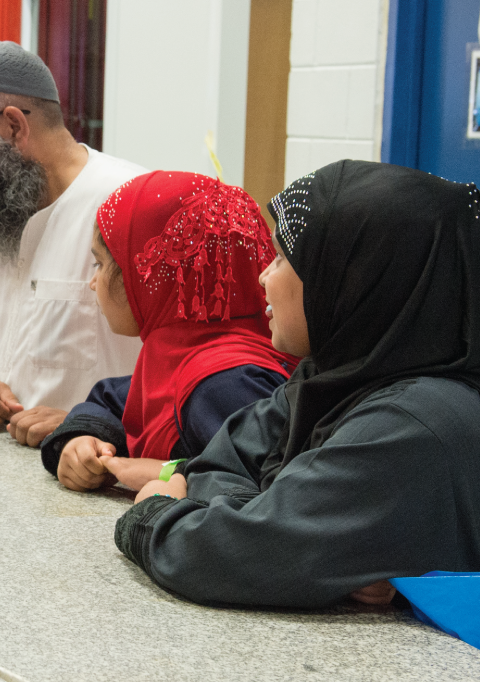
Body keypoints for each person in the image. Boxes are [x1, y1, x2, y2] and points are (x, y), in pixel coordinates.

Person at [112, 160, 480, 681]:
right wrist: (303, 546)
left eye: (283, 259)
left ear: (353, 279)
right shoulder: (332, 379)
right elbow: (227, 458)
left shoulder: (413, 422)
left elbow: (226, 553)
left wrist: (151, 517)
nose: (263, 275)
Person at [0, 41, 145, 441]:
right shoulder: (1, 209)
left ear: (13, 126)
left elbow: (183, 368)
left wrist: (96, 421)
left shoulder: (129, 206)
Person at [40, 172, 294, 491]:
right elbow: (111, 399)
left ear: (150, 278)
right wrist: (85, 439)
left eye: (100, 265)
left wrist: (167, 472)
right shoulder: (179, 357)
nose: (93, 283)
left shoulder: (224, 385)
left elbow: (268, 484)